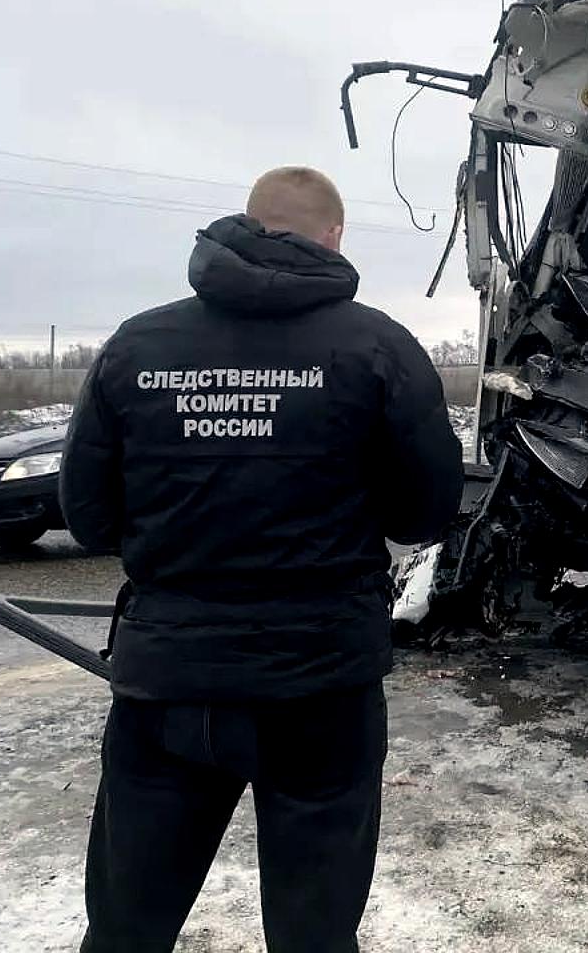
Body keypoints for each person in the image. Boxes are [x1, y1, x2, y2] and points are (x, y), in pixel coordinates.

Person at [60, 166, 463, 953]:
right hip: (321, 690)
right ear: (334, 236)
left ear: (242, 228)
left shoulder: (138, 343)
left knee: (126, 928)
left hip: (167, 685)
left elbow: (89, 516)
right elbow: (425, 514)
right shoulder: (379, 346)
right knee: (314, 935)